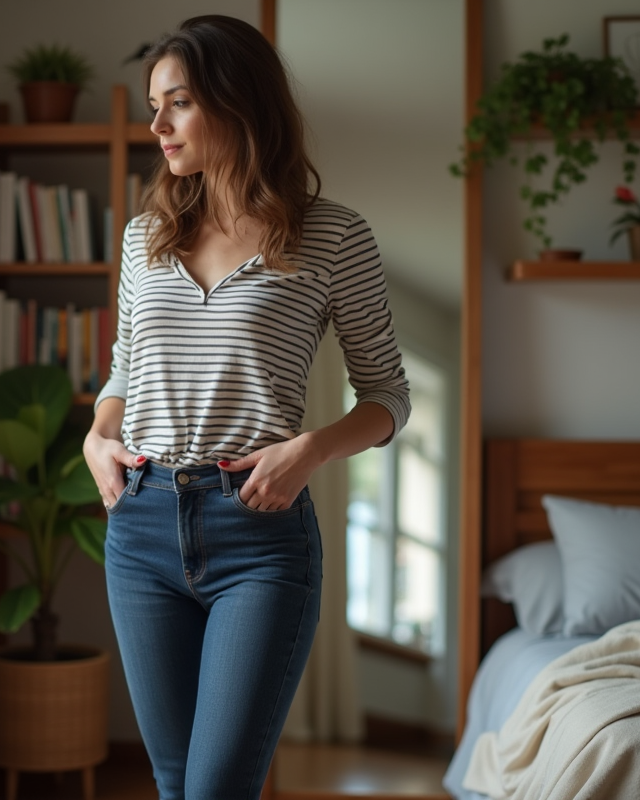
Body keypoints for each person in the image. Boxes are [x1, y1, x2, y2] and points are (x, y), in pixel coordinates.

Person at [83, 15, 410, 800]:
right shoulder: (146, 236)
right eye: (154, 106)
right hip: (140, 526)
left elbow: (388, 395)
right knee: (173, 783)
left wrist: (311, 449)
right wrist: (97, 435)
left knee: (218, 787)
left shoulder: (333, 236)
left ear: (238, 101)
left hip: (258, 536)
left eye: (179, 103)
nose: (157, 125)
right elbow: (126, 368)